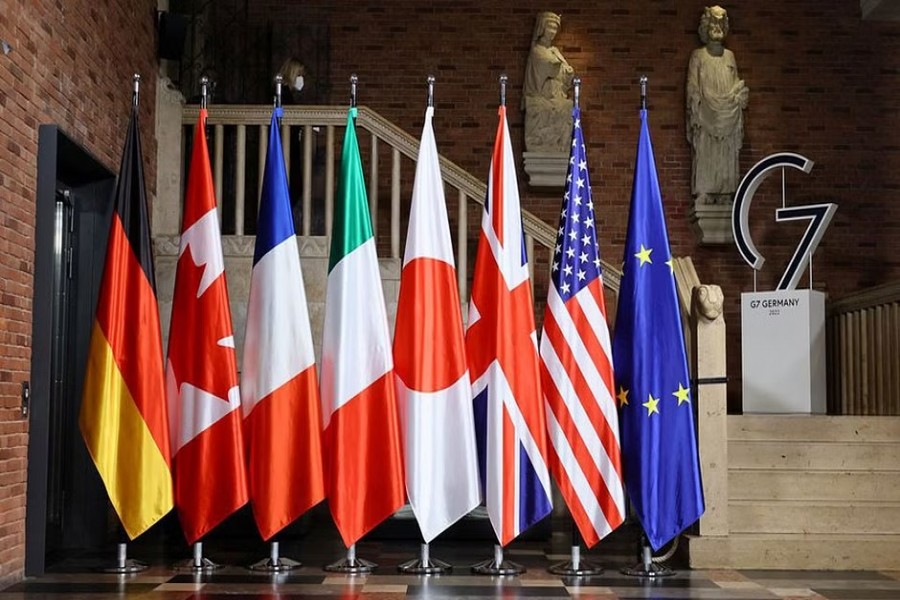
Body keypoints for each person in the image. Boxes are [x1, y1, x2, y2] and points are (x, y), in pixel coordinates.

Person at [686, 6, 749, 205]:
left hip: (727, 113)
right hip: (706, 114)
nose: (717, 27)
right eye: (714, 23)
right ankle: (704, 191)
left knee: (726, 151)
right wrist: (695, 103)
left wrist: (739, 96)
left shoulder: (729, 56)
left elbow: (735, 82)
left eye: (721, 23)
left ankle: (725, 192)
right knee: (706, 149)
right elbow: (692, 85)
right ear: (706, 26)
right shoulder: (698, 56)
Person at [522, 12, 574, 153]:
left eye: (555, 28)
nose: (552, 32)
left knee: (567, 107)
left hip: (556, 94)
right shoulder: (537, 50)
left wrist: (567, 72)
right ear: (542, 28)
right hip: (543, 94)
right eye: (549, 28)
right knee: (543, 110)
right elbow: (549, 67)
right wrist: (558, 67)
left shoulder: (554, 51)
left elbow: (562, 71)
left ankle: (560, 142)